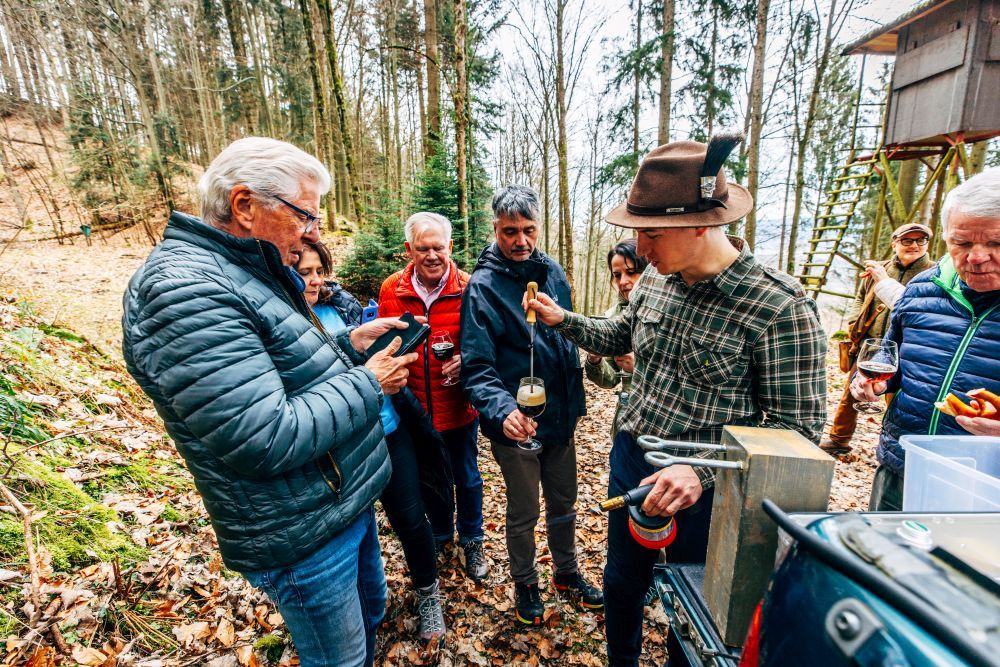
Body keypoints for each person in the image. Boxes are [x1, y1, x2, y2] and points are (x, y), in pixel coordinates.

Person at [527, 134, 827, 666]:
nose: (640, 251)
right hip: (632, 464)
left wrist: (702, 473)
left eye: (653, 235)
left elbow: (797, 433)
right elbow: (622, 335)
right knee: (621, 586)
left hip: (707, 494)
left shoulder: (778, 307)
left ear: (702, 224)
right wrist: (564, 321)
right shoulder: (656, 281)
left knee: (692, 612)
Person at [122, 138, 418, 667]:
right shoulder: (185, 290)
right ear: (244, 206)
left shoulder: (246, 271)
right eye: (305, 215)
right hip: (300, 534)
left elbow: (277, 368)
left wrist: (345, 344)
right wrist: (370, 381)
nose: (314, 234)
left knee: (372, 617)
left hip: (337, 503)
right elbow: (264, 433)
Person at [460, 184, 602, 626]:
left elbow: (564, 332)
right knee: (525, 510)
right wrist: (503, 412)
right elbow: (477, 367)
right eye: (509, 232)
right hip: (517, 423)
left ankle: (566, 572)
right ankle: (525, 581)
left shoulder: (553, 271)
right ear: (496, 230)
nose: (520, 241)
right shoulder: (483, 287)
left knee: (564, 502)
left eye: (528, 230)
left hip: (559, 414)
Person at [297, 240, 446, 642]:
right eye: (303, 272)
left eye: (317, 271)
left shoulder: (338, 306)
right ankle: (367, 607)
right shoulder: (285, 324)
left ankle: (429, 595)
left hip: (389, 428)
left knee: (411, 519)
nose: (313, 281)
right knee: (359, 528)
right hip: (340, 443)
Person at [851, 167, 1000, 511]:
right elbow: (893, 365)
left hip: (985, 488)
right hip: (901, 467)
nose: (976, 257)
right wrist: (871, 385)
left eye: (995, 242)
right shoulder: (921, 289)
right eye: (962, 243)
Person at [377, 212, 487, 581]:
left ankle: (472, 539)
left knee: (467, 477)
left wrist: (466, 361)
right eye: (423, 248)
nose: (432, 255)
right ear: (409, 250)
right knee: (432, 478)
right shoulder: (392, 289)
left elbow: (486, 344)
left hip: (458, 406)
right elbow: (381, 348)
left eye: (438, 247)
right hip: (414, 409)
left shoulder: (470, 286)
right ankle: (440, 534)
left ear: (450, 247)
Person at [821, 222, 936, 456]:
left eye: (920, 240)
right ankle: (838, 440)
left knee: (898, 401)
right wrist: (854, 323)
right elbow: (860, 297)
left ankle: (896, 447)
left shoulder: (933, 274)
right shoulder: (879, 269)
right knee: (851, 392)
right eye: (907, 240)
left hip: (907, 349)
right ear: (895, 243)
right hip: (870, 345)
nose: (914, 245)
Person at [585, 238, 649, 434]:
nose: (623, 282)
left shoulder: (670, 308)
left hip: (662, 428)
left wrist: (639, 367)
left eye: (631, 272)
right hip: (626, 425)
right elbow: (609, 380)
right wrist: (595, 359)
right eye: (617, 275)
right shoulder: (612, 317)